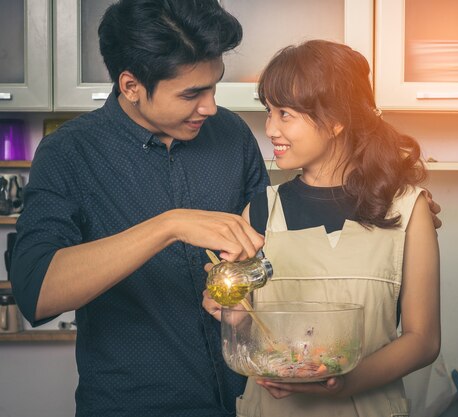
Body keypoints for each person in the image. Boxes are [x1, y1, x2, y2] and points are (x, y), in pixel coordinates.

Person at [10, 1, 269, 416]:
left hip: (244, 402)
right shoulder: (69, 153)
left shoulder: (232, 136)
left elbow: (269, 257)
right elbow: (36, 292)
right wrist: (170, 225)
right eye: (191, 93)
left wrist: (246, 288)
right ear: (130, 86)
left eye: (214, 86)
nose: (210, 107)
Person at [203, 39, 441, 417]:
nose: (270, 129)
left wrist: (347, 382)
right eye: (268, 112)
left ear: (335, 120)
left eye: (285, 114)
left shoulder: (409, 209)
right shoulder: (262, 210)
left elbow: (423, 340)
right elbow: (248, 331)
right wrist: (230, 312)